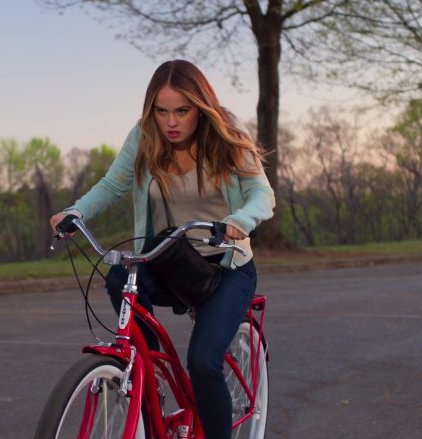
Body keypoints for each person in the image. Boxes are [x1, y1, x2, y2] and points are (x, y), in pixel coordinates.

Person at [49, 59, 275, 439]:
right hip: (169, 258)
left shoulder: (226, 134)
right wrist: (76, 211)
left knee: (203, 363)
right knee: (119, 276)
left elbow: (261, 194)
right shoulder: (144, 136)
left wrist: (241, 220)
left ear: (200, 108)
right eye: (162, 110)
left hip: (225, 268)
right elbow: (111, 186)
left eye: (182, 111)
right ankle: (146, 371)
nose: (171, 122)